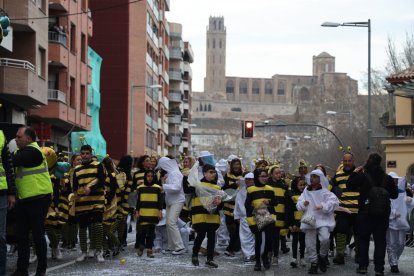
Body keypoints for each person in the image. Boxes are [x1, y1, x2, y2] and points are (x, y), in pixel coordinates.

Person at [11, 126, 53, 276]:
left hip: (39, 198)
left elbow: (14, 161)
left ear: (28, 139)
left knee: (37, 235)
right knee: (21, 236)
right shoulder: (19, 151)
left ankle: (41, 270)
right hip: (23, 199)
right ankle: (21, 270)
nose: (16, 139)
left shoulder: (34, 151)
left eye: (19, 137)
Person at [347, 153, 398, 275]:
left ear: (368, 162)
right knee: (380, 242)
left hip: (365, 214)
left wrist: (355, 172)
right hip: (382, 215)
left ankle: (363, 266)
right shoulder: (387, 178)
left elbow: (349, 185)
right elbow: (395, 195)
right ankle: (379, 269)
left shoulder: (362, 176)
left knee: (363, 240)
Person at [297, 169, 339, 274]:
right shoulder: (306, 191)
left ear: (320, 178)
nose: (312, 178)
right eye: (311, 176)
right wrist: (303, 204)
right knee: (310, 243)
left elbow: (334, 201)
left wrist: (323, 206)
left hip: (323, 219)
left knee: (325, 239)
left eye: (315, 176)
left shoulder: (324, 191)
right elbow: (299, 204)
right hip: (309, 219)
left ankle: (322, 256)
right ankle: (314, 263)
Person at [73, 145, 106, 263]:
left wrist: (90, 188)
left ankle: (99, 250)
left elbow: (101, 181)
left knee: (97, 225)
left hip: (97, 200)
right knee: (82, 228)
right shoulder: (77, 169)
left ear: (91, 154)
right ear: (80, 155)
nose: (85, 155)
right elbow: (75, 187)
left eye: (87, 153)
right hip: (82, 202)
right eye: (83, 153)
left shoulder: (98, 165)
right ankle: (83, 251)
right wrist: (74, 196)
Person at [187, 164, 222, 268]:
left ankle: (209, 259)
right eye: (211, 172)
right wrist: (186, 177)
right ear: (204, 173)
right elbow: (186, 190)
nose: (213, 174)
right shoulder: (197, 185)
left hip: (213, 217)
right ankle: (194, 255)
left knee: (211, 238)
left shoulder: (217, 187)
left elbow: (221, 204)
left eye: (214, 172)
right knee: (200, 236)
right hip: (199, 216)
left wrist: (219, 203)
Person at [245, 168, 277, 271]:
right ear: (256, 177)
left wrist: (269, 202)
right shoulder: (250, 189)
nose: (264, 178)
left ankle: (265, 257)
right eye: (262, 176)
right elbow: (247, 205)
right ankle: (258, 261)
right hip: (255, 217)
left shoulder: (270, 189)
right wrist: (255, 210)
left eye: (266, 176)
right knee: (258, 240)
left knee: (269, 239)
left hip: (268, 216)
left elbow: (275, 202)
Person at [332, 152, 359, 265]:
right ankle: (340, 255)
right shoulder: (337, 175)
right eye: (345, 161)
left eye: (349, 160)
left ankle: (359, 254)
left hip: (358, 210)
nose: (347, 163)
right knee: (341, 231)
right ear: (342, 161)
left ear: (353, 161)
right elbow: (331, 190)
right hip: (343, 210)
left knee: (359, 233)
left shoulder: (359, 174)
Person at [156, 156, 186, 255]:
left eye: (162, 167)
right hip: (171, 202)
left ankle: (179, 246)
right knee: (169, 224)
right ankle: (171, 246)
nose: (161, 170)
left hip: (177, 201)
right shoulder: (171, 173)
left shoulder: (175, 173)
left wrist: (163, 186)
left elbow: (177, 187)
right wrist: (164, 182)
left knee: (171, 222)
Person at [386, 172, 414, 273]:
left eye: (396, 180)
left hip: (402, 222)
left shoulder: (402, 192)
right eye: (393, 179)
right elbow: (384, 207)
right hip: (391, 222)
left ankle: (395, 260)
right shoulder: (385, 191)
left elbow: (409, 206)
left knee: (401, 244)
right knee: (391, 244)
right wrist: (392, 213)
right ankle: (393, 263)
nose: (395, 181)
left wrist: (410, 201)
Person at [135, 170, 162, 258]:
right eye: (148, 176)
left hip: (153, 212)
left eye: (151, 176)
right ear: (145, 177)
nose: (150, 178)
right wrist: (137, 211)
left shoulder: (157, 187)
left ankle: (149, 249)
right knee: (143, 231)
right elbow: (138, 201)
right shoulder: (141, 188)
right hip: (143, 211)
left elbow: (159, 201)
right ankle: (142, 245)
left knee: (151, 231)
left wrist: (160, 212)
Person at [0, 130, 16, 276]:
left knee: (0, 236)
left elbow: (8, 165)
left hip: (1, 192)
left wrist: (12, 192)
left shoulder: (0, 134)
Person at [266, 165, 289, 265]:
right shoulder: (267, 184)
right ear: (271, 174)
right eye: (276, 173)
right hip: (269, 212)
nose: (279, 175)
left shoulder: (284, 185)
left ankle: (275, 255)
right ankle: (269, 252)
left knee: (276, 236)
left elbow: (287, 199)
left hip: (280, 213)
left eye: (280, 173)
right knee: (268, 235)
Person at [222, 158, 243, 257]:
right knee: (230, 227)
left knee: (238, 228)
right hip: (228, 205)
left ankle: (231, 247)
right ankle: (234, 246)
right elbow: (225, 188)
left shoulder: (244, 176)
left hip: (239, 206)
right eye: (234, 164)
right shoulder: (227, 175)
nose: (236, 166)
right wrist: (235, 184)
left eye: (238, 164)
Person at [233, 172, 255, 262]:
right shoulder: (241, 191)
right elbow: (237, 204)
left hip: (257, 216)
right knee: (245, 237)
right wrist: (237, 216)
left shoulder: (256, 190)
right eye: (247, 179)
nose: (248, 181)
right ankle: (248, 254)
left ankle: (256, 253)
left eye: (250, 179)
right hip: (244, 217)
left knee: (255, 236)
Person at [287, 176, 306, 268]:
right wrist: (291, 223)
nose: (302, 187)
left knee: (303, 240)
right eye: (300, 185)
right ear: (295, 185)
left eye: (303, 185)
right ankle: (294, 258)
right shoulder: (291, 194)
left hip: (305, 220)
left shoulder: (307, 194)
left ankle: (302, 257)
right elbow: (289, 209)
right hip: (295, 220)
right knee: (295, 240)